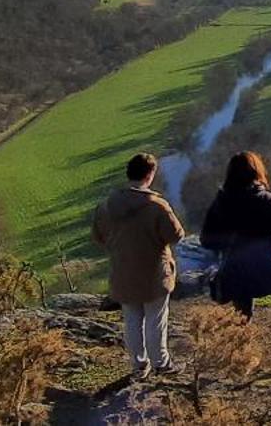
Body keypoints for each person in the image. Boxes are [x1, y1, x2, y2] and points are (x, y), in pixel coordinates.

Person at [90, 152, 185, 378]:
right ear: (150, 175)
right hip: (154, 273)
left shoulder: (107, 206)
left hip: (123, 272)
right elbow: (176, 235)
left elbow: (97, 236)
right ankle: (161, 364)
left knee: (132, 321)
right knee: (155, 320)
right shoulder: (157, 206)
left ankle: (139, 366)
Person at [200, 150, 271, 317]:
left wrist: (229, 244)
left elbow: (206, 239)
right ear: (257, 171)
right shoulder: (267, 199)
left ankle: (244, 340)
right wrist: (269, 245)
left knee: (242, 316)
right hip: (270, 267)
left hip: (236, 269)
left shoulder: (222, 203)